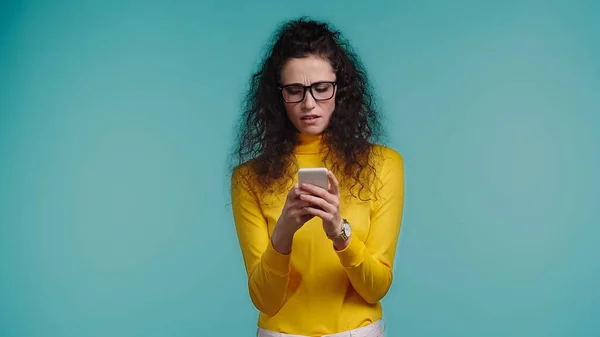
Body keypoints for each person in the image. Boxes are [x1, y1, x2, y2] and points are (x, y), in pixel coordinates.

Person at [229, 17, 404, 337]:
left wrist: (340, 232)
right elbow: (264, 300)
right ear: (278, 96)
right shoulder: (249, 178)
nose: (309, 104)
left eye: (321, 89)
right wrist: (283, 231)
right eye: (294, 91)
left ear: (341, 89)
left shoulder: (383, 165)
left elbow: (375, 289)